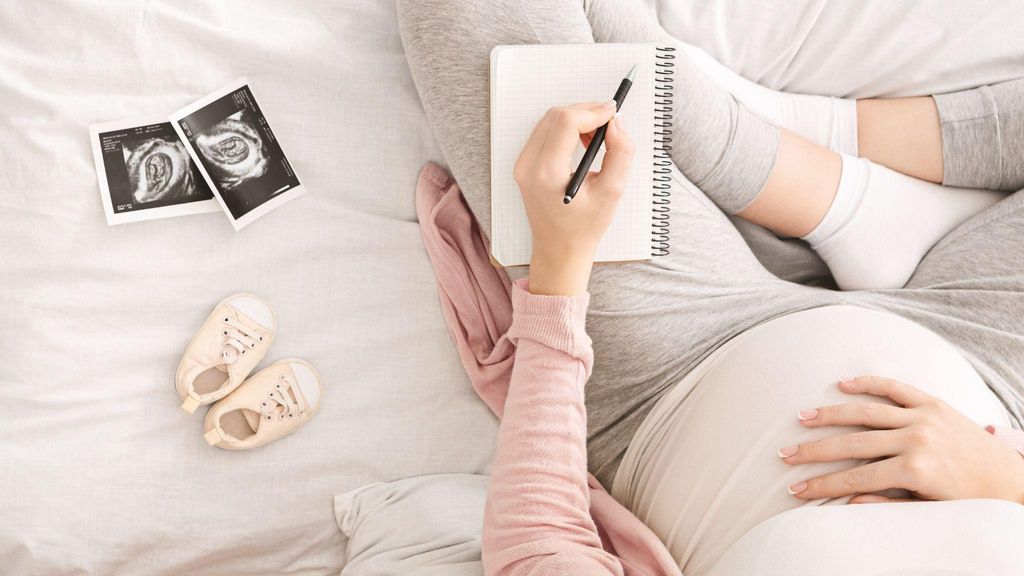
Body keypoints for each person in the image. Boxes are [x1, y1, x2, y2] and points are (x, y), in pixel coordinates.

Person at [398, 0, 1024, 573]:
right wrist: (1007, 480)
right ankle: (831, 183)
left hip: (675, 374)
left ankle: (792, 168)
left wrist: (559, 268)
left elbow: (540, 547)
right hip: (983, 376)